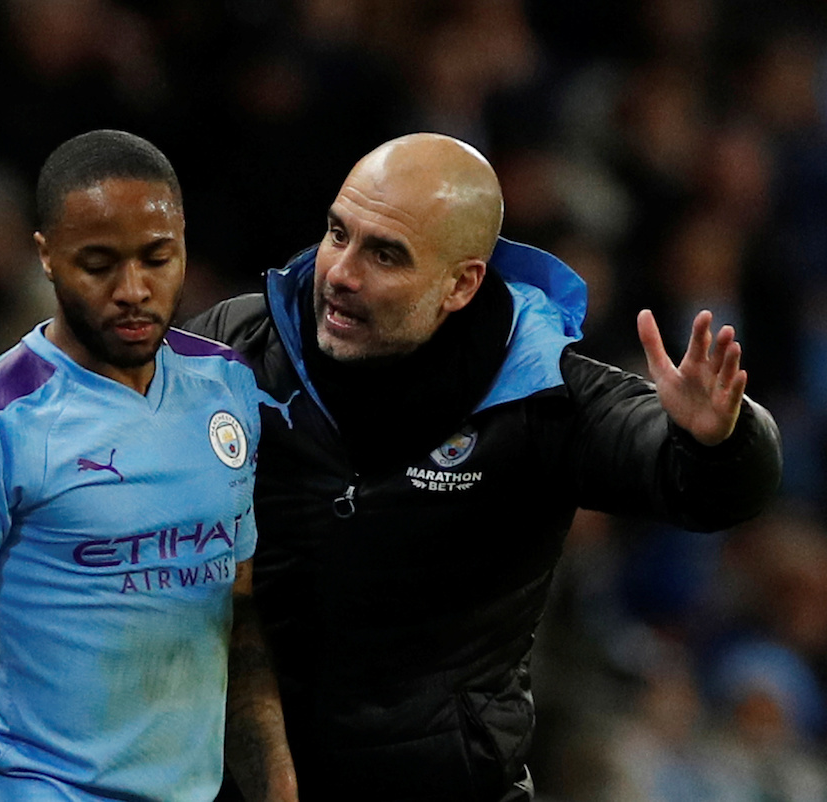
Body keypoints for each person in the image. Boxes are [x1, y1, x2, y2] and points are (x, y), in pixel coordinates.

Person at [185, 132, 783, 801]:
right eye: (337, 233)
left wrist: (724, 439)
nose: (341, 273)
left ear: (461, 283)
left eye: (385, 254)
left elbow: (703, 488)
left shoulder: (540, 392)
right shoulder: (234, 346)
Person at [0, 130, 298, 802]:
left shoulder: (228, 388)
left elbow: (238, 614)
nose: (133, 289)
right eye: (99, 264)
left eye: (157, 258)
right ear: (46, 257)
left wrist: (277, 789)